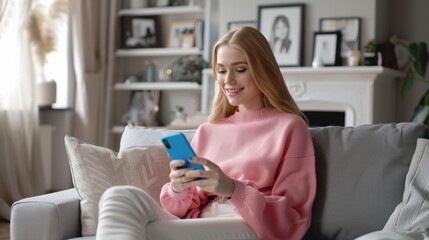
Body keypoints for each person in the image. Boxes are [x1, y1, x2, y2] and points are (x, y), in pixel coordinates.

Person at [96, 26, 316, 240]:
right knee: (119, 196)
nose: (228, 80)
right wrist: (178, 188)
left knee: (146, 233)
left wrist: (232, 189)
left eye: (240, 69)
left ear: (262, 70)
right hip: (199, 223)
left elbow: (293, 216)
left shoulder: (289, 127)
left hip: (248, 225)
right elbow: (182, 209)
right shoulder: (209, 130)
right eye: (221, 70)